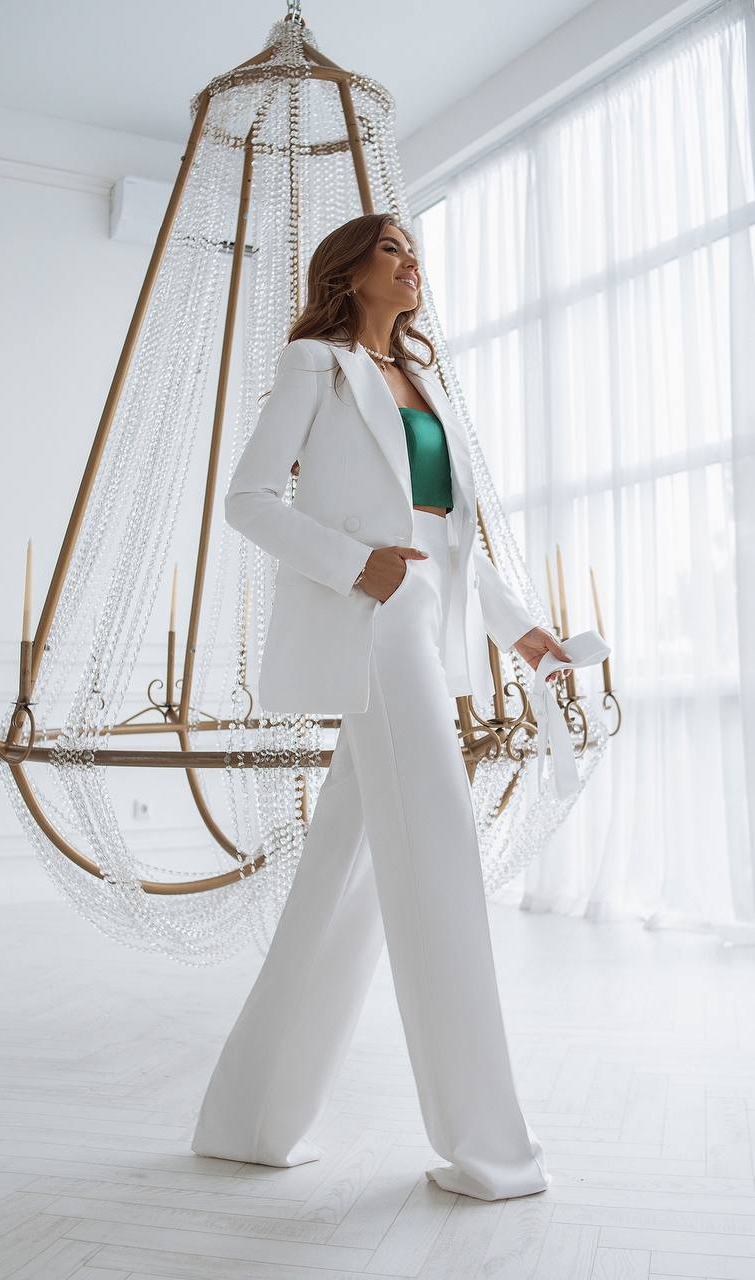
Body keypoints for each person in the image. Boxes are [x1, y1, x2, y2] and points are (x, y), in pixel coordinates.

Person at [191, 212, 572, 1201]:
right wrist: (353, 564)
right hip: (373, 620)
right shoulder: (315, 366)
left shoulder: (423, 381)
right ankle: (491, 1150)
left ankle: (249, 1118)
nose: (413, 263)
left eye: (415, 250)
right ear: (349, 270)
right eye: (393, 248)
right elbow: (247, 498)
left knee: (343, 880)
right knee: (438, 861)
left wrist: (517, 627)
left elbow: (442, 533)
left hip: (427, 617)